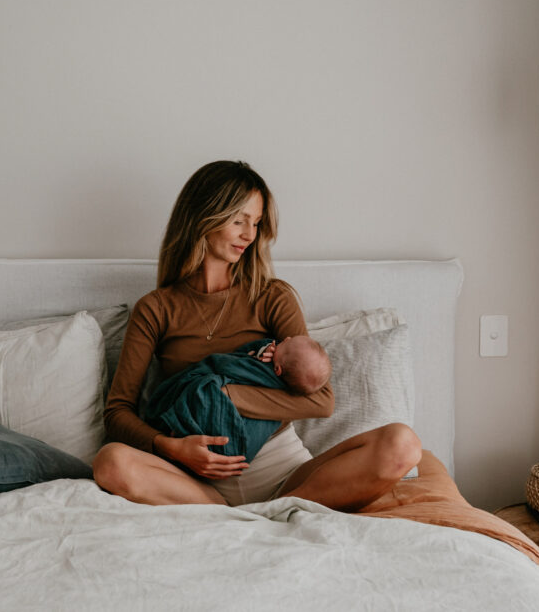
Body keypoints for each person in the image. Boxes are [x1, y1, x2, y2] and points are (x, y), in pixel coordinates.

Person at [93, 160, 421, 510]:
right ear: (204, 217)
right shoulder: (156, 308)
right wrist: (169, 447)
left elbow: (320, 401)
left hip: (283, 473)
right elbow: (117, 412)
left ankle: (282, 507)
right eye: (239, 221)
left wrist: (230, 396)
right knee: (110, 462)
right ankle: (238, 516)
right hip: (194, 479)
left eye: (256, 222)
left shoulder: (271, 296)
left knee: (402, 444)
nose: (250, 235)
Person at [143, 335, 330, 459]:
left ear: (277, 370)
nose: (284, 338)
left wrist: (254, 359)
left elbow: (228, 365)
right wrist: (260, 350)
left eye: (284, 343)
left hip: (256, 451)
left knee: (204, 390)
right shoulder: (281, 366)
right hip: (225, 459)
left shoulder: (267, 374)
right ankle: (186, 429)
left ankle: (183, 425)